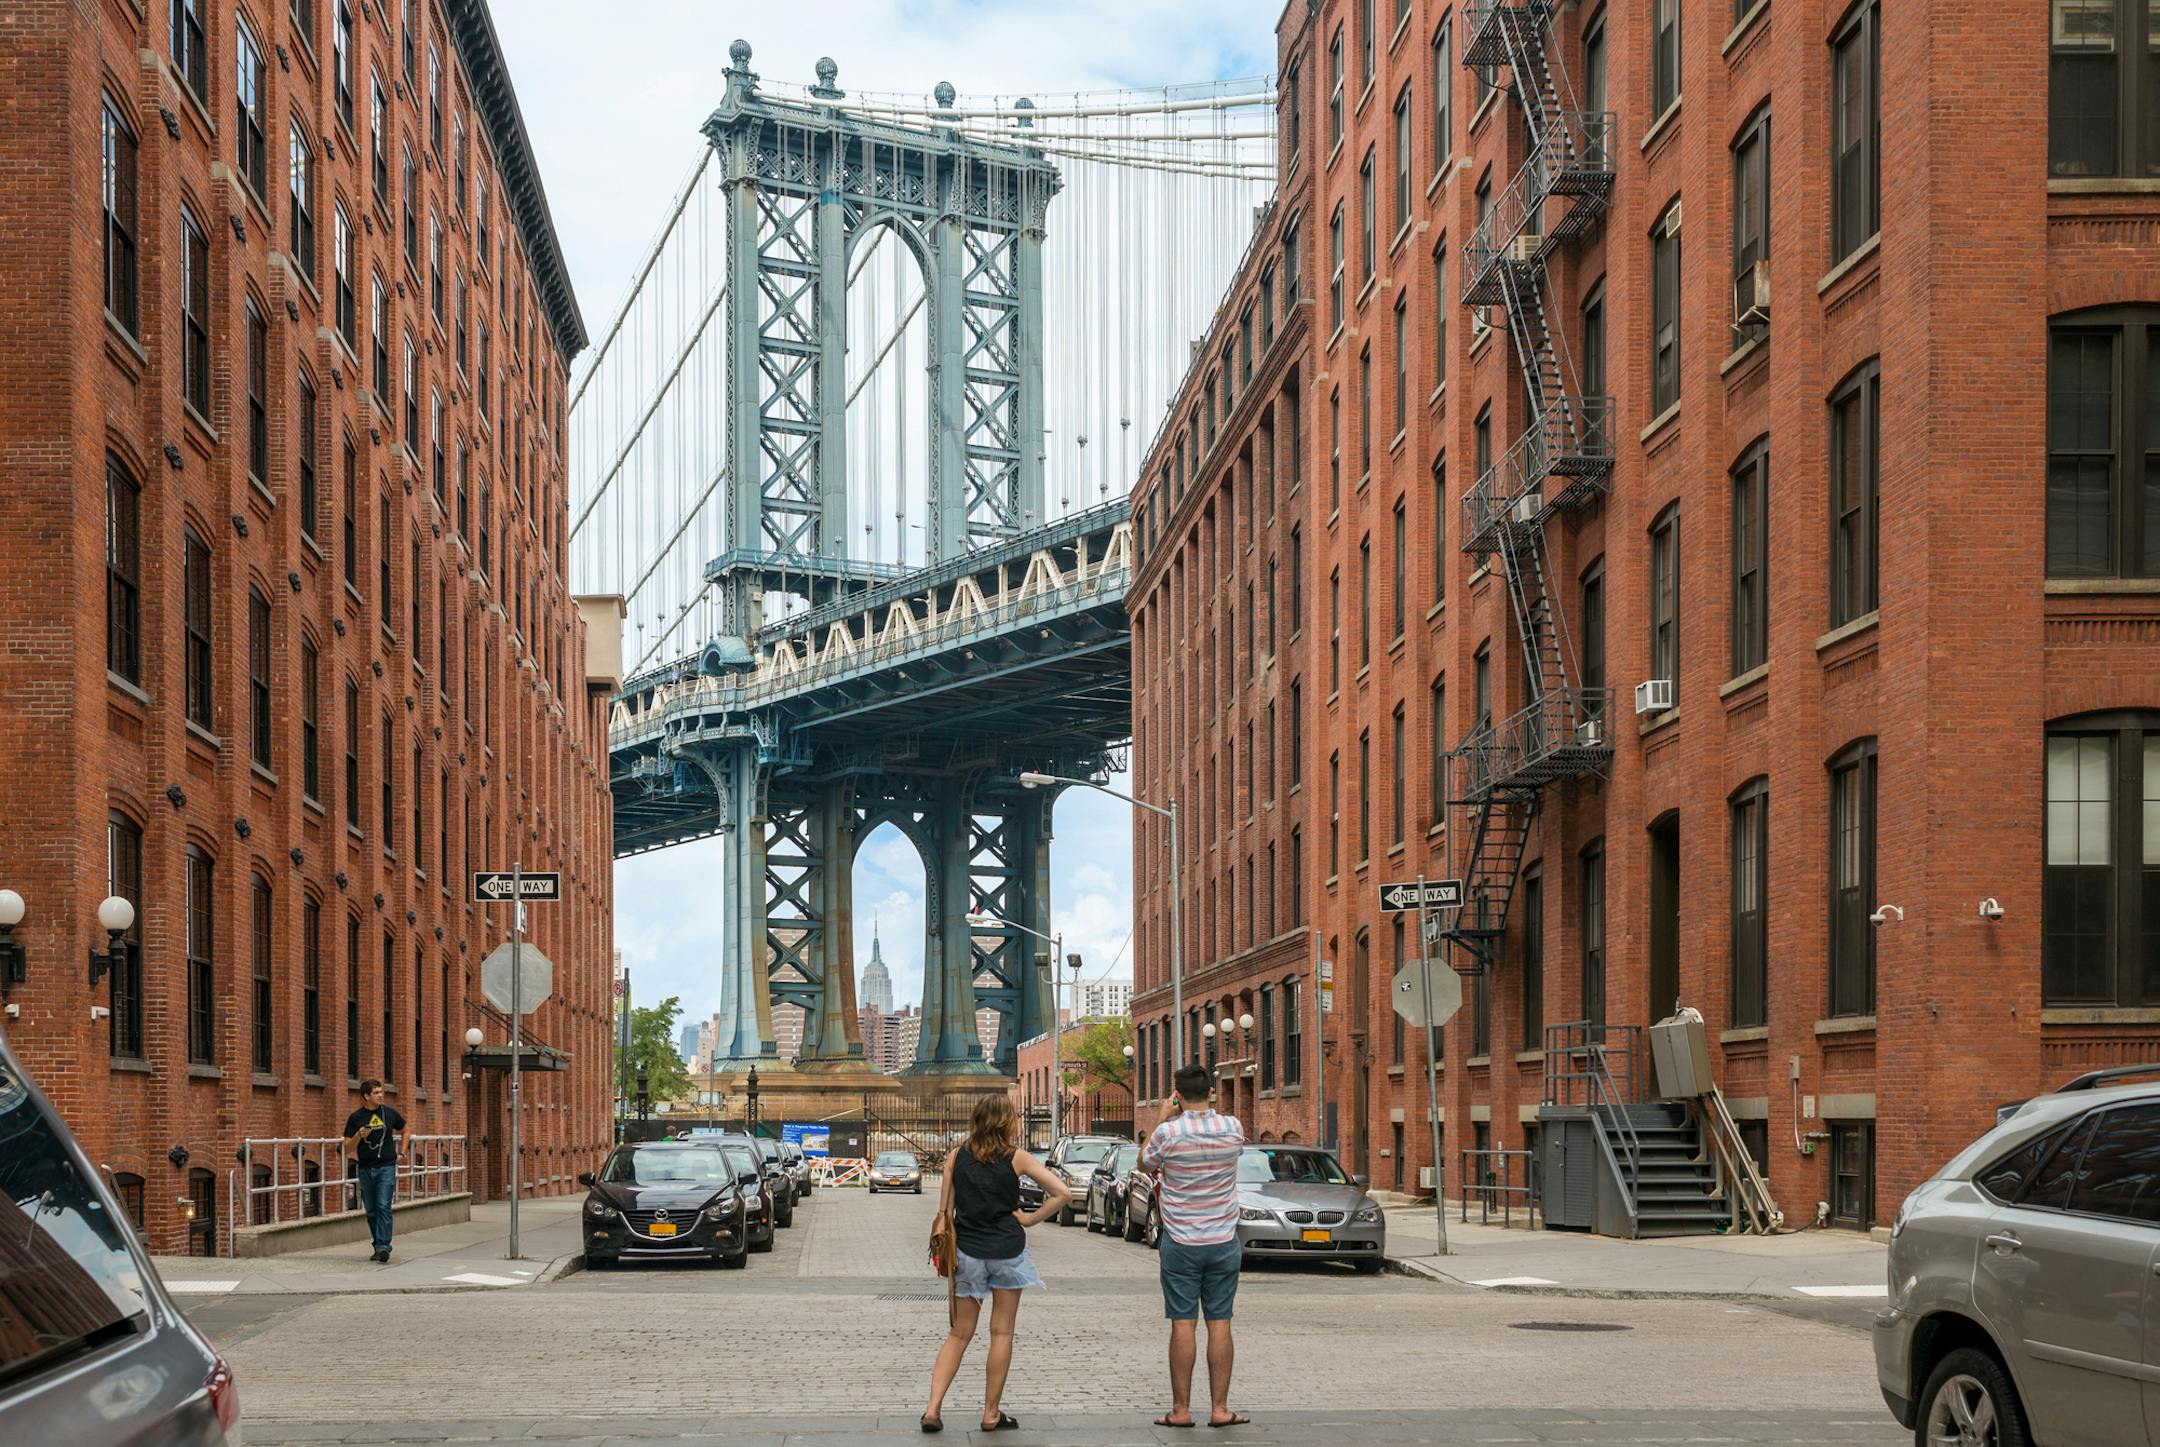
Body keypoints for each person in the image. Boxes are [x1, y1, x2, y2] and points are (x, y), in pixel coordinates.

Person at [922, 1094, 1069, 1434]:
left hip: (968, 1253)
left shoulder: (956, 1157)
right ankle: (990, 1413)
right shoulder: (1017, 1158)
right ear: (1007, 1122)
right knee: (1001, 1332)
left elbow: (944, 1212)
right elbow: (1063, 1193)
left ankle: (932, 1409)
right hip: (1007, 1251)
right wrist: (1030, 1220)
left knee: (959, 1334)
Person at [1139, 1063, 1249, 1429]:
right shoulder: (1232, 1128)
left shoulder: (1168, 1133)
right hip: (1223, 1241)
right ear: (1211, 1092)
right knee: (1220, 1322)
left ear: (1177, 1094)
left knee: (1182, 1323)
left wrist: (1160, 1117)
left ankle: (1181, 1410)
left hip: (1182, 1242)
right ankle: (1220, 1409)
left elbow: (1143, 1163)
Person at [342, 1080, 406, 1263]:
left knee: (383, 1206)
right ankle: (378, 1244)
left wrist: (402, 1152)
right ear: (366, 1096)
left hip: (386, 1167)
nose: (380, 1095)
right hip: (365, 1169)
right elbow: (347, 1147)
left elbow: (406, 1129)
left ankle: (384, 1246)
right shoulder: (356, 1118)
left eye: (381, 1091)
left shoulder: (389, 1114)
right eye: (376, 1092)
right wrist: (358, 1136)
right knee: (371, 1211)